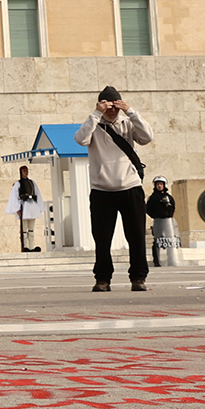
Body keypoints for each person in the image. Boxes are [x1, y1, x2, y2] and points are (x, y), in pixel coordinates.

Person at [73, 86, 154, 292]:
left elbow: (147, 138)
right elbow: (80, 139)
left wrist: (131, 111)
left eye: (115, 104)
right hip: (102, 190)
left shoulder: (127, 122)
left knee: (136, 236)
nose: (112, 109)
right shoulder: (94, 124)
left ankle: (138, 278)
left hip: (130, 187)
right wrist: (96, 113)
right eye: (107, 104)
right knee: (102, 239)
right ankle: (102, 279)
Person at [7, 164, 45, 252]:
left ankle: (31, 247)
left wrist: (39, 207)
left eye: (26, 170)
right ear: (21, 172)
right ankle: (25, 247)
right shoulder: (18, 184)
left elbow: (37, 194)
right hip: (24, 206)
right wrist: (17, 209)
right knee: (24, 230)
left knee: (31, 229)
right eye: (24, 171)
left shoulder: (32, 182)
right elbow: (14, 196)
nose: (26, 172)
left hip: (32, 206)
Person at [145, 176, 178, 268]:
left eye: (161, 184)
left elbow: (173, 208)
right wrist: (155, 215)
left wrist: (168, 210)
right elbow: (148, 209)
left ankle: (171, 259)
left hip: (168, 222)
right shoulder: (153, 197)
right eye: (158, 184)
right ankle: (157, 260)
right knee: (157, 241)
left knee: (170, 241)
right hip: (158, 221)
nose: (159, 186)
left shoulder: (169, 197)